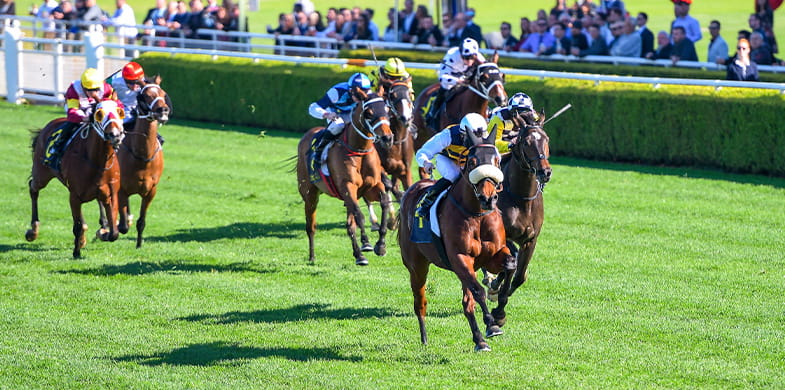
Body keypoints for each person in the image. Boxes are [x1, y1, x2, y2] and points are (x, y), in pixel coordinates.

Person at [414, 112, 495, 217]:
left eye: (479, 137)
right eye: (471, 137)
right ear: (462, 134)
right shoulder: (447, 136)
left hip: (469, 163)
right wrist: (426, 163)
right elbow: (423, 152)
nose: (476, 141)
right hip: (448, 160)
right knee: (454, 174)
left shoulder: (485, 136)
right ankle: (428, 201)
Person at [44, 68, 119, 169]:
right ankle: (57, 147)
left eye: (96, 89)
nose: (94, 92)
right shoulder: (74, 89)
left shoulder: (106, 88)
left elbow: (112, 105)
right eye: (89, 90)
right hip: (78, 108)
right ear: (83, 86)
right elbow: (72, 112)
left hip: (96, 107)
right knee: (72, 124)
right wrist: (85, 118)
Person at [425, 37, 486, 130]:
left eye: (472, 58)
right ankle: (432, 114)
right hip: (450, 81)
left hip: (467, 79)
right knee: (443, 90)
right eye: (466, 58)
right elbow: (442, 77)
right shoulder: (452, 56)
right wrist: (457, 81)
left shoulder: (479, 57)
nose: (469, 61)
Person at [308, 72, 372, 158]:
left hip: (352, 113)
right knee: (338, 125)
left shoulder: (369, 94)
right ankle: (320, 150)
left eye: (364, 94)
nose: (361, 98)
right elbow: (313, 107)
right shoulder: (337, 92)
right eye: (358, 95)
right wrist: (327, 114)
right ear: (350, 90)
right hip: (335, 113)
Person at [109, 61, 171, 143]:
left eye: (137, 82)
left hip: (136, 109)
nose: (134, 86)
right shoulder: (113, 81)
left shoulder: (146, 82)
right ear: (124, 79)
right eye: (130, 83)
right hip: (119, 109)